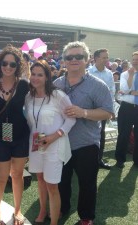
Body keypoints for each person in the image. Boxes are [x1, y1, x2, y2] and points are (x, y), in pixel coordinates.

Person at [53, 41, 113, 225]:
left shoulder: (98, 85)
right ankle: (62, 208)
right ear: (63, 61)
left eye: (78, 56)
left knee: (87, 183)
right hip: (61, 141)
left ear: (87, 60)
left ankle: (86, 217)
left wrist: (84, 113)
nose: (74, 60)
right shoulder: (56, 84)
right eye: (69, 57)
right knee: (61, 180)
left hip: (86, 143)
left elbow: (109, 113)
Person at [25, 61, 75, 225]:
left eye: (40, 74)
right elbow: (31, 122)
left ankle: (53, 222)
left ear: (47, 77)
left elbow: (71, 119)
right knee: (40, 178)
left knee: (52, 186)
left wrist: (54, 136)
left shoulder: (58, 95)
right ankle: (42, 210)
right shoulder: (29, 96)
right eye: (33, 74)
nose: (36, 78)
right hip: (37, 145)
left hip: (54, 145)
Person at [0, 44, 30, 225]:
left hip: (21, 136)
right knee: (1, 176)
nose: (8, 67)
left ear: (18, 66)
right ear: (0, 64)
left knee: (18, 174)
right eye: (5, 63)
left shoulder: (24, 86)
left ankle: (18, 210)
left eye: (12, 64)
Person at [88, 48, 115, 170]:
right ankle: (84, 161)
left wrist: (111, 109)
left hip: (103, 111)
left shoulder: (109, 74)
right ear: (96, 58)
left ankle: (99, 159)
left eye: (107, 57)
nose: (106, 60)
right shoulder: (87, 72)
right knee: (87, 135)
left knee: (101, 135)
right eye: (104, 57)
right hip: (88, 110)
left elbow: (111, 92)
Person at [115, 51, 138, 168]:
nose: (135, 61)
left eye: (137, 59)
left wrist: (131, 92)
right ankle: (120, 159)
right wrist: (131, 75)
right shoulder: (125, 74)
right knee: (123, 134)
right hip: (127, 107)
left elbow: (127, 92)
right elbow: (124, 88)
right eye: (133, 59)